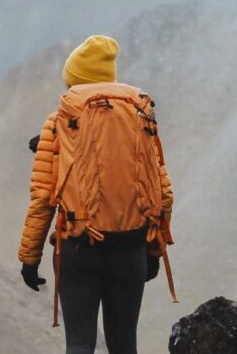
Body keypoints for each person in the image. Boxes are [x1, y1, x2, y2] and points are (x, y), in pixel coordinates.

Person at [17, 35, 175, 354]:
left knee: (79, 343)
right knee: (123, 344)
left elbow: (42, 199)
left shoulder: (59, 122)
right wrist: (152, 253)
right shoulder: (139, 116)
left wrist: (29, 258)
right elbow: (164, 194)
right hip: (130, 248)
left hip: (78, 249)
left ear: (74, 79)